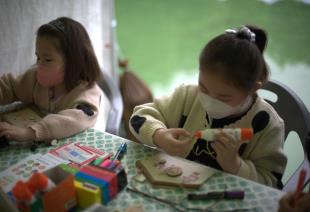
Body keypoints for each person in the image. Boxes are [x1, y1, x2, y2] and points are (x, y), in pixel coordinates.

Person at [129, 25, 287, 188]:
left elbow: (272, 185)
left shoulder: (266, 125)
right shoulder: (187, 96)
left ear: (253, 89)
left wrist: (236, 165)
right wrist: (159, 135)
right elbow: (139, 117)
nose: (209, 100)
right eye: (203, 87)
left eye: (223, 97)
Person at [0, 17, 107, 143]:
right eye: (38, 57)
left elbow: (75, 119)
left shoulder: (87, 92)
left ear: (73, 61)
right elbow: (10, 86)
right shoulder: (33, 78)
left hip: (71, 153)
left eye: (47, 59)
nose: (39, 64)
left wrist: (30, 132)